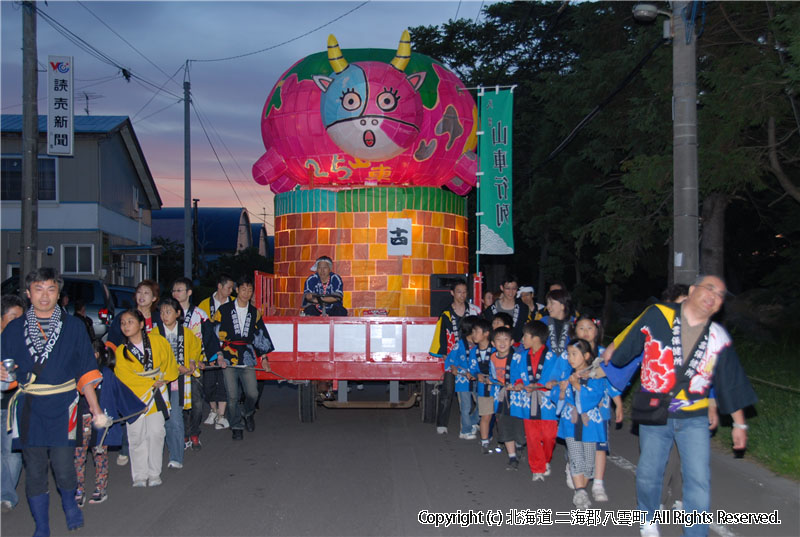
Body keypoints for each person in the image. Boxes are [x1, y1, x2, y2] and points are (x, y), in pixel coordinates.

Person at [603, 275, 757, 537]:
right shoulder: (658, 314)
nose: (714, 296)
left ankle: (696, 533)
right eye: (710, 289)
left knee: (698, 479)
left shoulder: (718, 336)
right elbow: (627, 345)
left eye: (720, 295)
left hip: (693, 415)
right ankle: (648, 516)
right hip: (655, 410)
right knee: (650, 472)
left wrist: (739, 423)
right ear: (693, 290)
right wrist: (616, 348)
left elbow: (729, 381)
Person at [1, 268, 106, 535]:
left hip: (64, 407)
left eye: (50, 289)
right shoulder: (14, 329)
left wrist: (95, 409)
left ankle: (70, 504)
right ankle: (42, 525)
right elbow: (7, 375)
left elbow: (85, 371)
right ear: (28, 294)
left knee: (63, 466)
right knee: (34, 469)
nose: (44, 295)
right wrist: (4, 374)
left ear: (59, 295)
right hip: (30, 407)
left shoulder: (73, 327)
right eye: (38, 289)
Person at [113, 309, 179, 488]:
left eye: (130, 321)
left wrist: (164, 377)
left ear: (142, 324)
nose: (126, 325)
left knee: (156, 433)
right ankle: (140, 474)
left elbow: (169, 362)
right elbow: (122, 375)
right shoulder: (122, 351)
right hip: (134, 396)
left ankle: (154, 472)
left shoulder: (158, 341)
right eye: (123, 323)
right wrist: (150, 383)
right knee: (136, 435)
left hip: (157, 393)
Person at [74, 341, 145, 506]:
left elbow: (121, 393)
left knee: (100, 455)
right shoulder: (75, 372)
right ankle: (78, 489)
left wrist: (138, 406)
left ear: (96, 355)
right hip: (80, 420)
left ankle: (100, 488)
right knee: (78, 456)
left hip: (100, 420)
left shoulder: (106, 374)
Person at [212, 274, 274, 441]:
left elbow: (260, 336)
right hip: (228, 355)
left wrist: (265, 358)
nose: (246, 293)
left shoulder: (255, 313)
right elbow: (214, 333)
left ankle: (248, 413)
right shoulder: (223, 310)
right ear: (237, 290)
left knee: (252, 393)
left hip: (247, 355)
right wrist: (218, 354)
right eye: (243, 289)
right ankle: (236, 425)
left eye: (250, 290)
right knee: (232, 395)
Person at [552, 339, 608, 509]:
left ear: (586, 356)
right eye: (568, 354)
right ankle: (580, 492)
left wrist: (578, 387)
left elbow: (594, 398)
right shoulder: (567, 375)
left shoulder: (596, 375)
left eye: (574, 354)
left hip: (590, 424)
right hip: (571, 421)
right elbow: (556, 396)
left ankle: (581, 488)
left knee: (589, 464)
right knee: (576, 457)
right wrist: (561, 390)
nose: (570, 358)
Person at [571, 316, 622, 502]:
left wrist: (619, 402)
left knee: (600, 445)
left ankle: (598, 483)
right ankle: (575, 467)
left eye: (590, 328)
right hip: (576, 410)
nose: (585, 332)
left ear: (597, 330)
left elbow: (612, 379)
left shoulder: (603, 353)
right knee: (577, 441)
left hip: (599, 408)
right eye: (581, 328)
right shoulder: (571, 352)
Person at [152, 298, 202, 469]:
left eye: (168, 312)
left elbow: (195, 348)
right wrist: (176, 366)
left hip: (178, 382)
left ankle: (176, 456)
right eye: (162, 312)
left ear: (178, 314)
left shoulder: (186, 333)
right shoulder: (154, 333)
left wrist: (193, 361)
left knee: (175, 418)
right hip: (161, 381)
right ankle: (169, 451)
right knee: (163, 419)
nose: (164, 316)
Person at [518, 320, 570, 482]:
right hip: (529, 402)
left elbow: (553, 377)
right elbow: (517, 374)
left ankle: (545, 459)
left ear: (535, 338)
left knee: (549, 436)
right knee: (532, 437)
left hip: (547, 403)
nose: (522, 339)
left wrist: (543, 384)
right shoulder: (522, 356)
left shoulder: (551, 357)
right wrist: (520, 383)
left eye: (525, 336)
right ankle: (537, 468)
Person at [429, 279, 480, 434]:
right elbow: (441, 336)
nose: (462, 295)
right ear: (452, 293)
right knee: (448, 390)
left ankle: (472, 420)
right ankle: (442, 423)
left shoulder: (474, 311)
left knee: (476, 391)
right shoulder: (446, 313)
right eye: (459, 292)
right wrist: (445, 355)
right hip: (454, 359)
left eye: (464, 292)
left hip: (472, 358)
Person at [171, 277, 215, 451]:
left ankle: (194, 431)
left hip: (194, 366)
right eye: (174, 290)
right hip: (174, 367)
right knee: (178, 403)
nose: (176, 293)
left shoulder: (199, 314)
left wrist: (214, 356)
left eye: (179, 290)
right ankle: (182, 434)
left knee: (196, 403)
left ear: (189, 292)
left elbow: (209, 337)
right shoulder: (168, 313)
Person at [482, 326, 522, 470]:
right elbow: (493, 375)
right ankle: (512, 457)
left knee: (519, 425)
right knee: (504, 424)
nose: (502, 342)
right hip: (501, 395)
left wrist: (518, 384)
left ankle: (519, 444)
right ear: (493, 343)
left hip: (517, 397)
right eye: (498, 340)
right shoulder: (492, 357)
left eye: (506, 339)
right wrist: (491, 381)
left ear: (512, 342)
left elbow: (522, 376)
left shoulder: (517, 357)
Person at [198, 274, 234, 430]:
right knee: (208, 384)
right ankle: (213, 409)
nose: (231, 291)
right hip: (209, 349)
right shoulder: (205, 304)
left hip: (228, 349)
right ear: (219, 286)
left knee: (224, 382)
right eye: (229, 288)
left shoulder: (234, 303)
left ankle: (221, 414)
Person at [1, 294, 25, 514]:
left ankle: (7, 496)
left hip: (13, 404)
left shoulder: (22, 342)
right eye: (13, 317)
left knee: (11, 452)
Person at [444, 315, 479, 440]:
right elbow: (450, 358)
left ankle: (473, 422)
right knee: (466, 406)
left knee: (481, 404)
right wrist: (453, 366)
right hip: (462, 379)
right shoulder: (460, 344)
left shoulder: (479, 345)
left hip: (477, 379)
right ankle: (465, 430)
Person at [468, 318, 495, 453]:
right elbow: (472, 369)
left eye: (476, 331)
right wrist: (476, 374)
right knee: (485, 415)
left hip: (497, 388)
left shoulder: (496, 349)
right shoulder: (474, 352)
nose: (473, 334)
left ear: (486, 333)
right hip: (483, 388)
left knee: (498, 416)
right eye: (472, 332)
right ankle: (485, 441)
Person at [483, 275, 529, 343]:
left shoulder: (523, 308)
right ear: (502, 288)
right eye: (508, 288)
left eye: (514, 289)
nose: (511, 292)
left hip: (517, 347)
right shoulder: (490, 311)